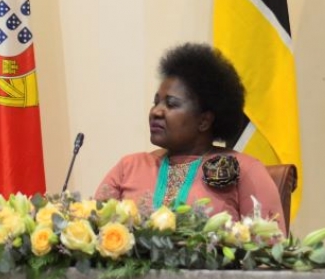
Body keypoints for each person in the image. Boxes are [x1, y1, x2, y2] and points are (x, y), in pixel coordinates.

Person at [95, 43, 287, 234]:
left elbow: (269, 249)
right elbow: (93, 232)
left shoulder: (246, 170)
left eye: (171, 104)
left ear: (204, 120)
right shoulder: (128, 167)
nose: (156, 112)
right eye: (156, 103)